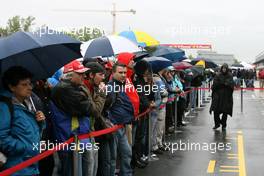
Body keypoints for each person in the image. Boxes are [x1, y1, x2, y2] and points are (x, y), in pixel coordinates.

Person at [50, 60, 93, 176]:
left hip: (81, 137)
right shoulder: (63, 89)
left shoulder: (75, 87)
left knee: (86, 171)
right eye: (80, 73)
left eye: (84, 73)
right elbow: (90, 109)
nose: (84, 76)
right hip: (70, 140)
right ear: (69, 75)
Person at [0, 66, 45, 176]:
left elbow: (32, 132)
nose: (29, 87)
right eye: (24, 84)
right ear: (12, 87)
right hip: (16, 168)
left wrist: (40, 122)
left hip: (31, 165)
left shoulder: (27, 104)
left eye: (30, 84)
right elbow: (2, 137)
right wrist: (24, 147)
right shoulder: (4, 106)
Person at [100, 62, 134, 176]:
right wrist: (110, 123)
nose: (124, 75)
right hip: (113, 128)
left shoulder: (120, 85)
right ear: (113, 73)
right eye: (120, 72)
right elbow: (104, 109)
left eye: (125, 72)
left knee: (127, 153)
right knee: (112, 159)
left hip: (121, 126)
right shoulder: (110, 88)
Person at [210, 63, 234, 130]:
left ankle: (223, 125)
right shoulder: (218, 75)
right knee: (215, 110)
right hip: (218, 95)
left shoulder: (230, 75)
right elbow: (215, 85)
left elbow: (230, 84)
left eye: (225, 68)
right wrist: (223, 84)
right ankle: (217, 124)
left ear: (227, 69)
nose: (224, 69)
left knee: (225, 111)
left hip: (226, 96)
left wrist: (224, 84)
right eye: (223, 68)